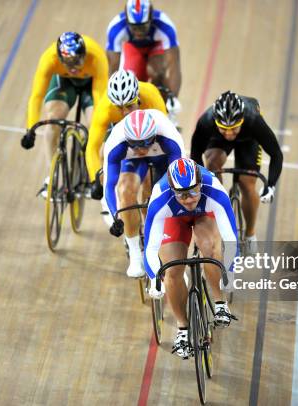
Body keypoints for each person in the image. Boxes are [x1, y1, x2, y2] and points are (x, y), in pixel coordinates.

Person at [144, 158, 238, 358]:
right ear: (172, 190)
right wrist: (154, 279)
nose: (188, 199)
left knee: (211, 249)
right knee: (171, 270)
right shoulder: (160, 198)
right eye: (182, 194)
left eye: (194, 192)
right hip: (173, 219)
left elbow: (231, 239)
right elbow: (150, 249)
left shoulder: (214, 189)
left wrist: (229, 271)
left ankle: (220, 304)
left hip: (204, 216)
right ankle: (183, 328)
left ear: (200, 185)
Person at [20, 32, 108, 197]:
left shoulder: (96, 57)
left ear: (84, 54)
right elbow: (36, 96)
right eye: (67, 63)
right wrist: (30, 129)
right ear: (59, 58)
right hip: (63, 82)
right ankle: (54, 175)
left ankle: (91, 172)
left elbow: (100, 99)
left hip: (92, 84)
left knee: (95, 122)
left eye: (76, 62)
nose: (73, 68)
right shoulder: (49, 58)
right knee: (53, 120)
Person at [190, 91, 283, 245]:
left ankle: (250, 234)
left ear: (241, 120)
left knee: (247, 184)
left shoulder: (253, 120)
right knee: (212, 163)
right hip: (217, 141)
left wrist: (271, 185)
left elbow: (276, 154)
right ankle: (219, 203)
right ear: (216, 122)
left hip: (248, 141)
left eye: (234, 128)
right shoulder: (206, 122)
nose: (229, 133)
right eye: (224, 128)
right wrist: (204, 184)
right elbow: (195, 156)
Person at [104, 109, 185, 277]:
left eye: (145, 142)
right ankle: (135, 253)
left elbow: (180, 177)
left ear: (154, 135)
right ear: (127, 139)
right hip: (133, 160)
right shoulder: (116, 142)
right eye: (135, 143)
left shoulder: (169, 135)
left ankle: (173, 256)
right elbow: (109, 186)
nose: (141, 148)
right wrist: (115, 216)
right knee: (125, 191)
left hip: (161, 158)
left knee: (167, 194)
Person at [86, 69, 166, 193]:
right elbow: (92, 147)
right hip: (118, 124)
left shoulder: (151, 98)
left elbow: (165, 134)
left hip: (148, 122)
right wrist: (95, 179)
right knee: (103, 152)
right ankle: (109, 201)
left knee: (150, 181)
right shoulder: (105, 109)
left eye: (129, 105)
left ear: (138, 98)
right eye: (119, 107)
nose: (125, 112)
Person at [105, 0, 181, 121]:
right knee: (131, 80)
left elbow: (174, 66)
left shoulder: (165, 25)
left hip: (154, 48)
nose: (139, 32)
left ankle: (164, 108)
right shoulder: (116, 28)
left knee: (157, 72)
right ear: (127, 21)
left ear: (151, 19)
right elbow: (112, 68)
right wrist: (111, 99)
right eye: (134, 28)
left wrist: (173, 98)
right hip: (133, 49)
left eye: (143, 27)